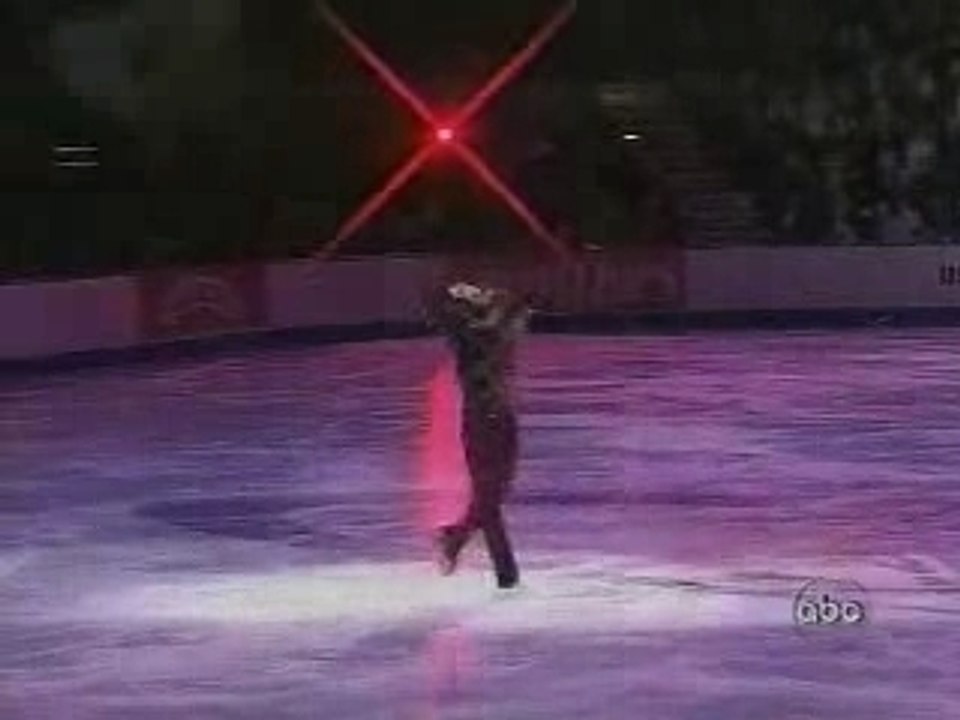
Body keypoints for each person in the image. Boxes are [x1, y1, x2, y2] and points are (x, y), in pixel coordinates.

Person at [425, 281, 531, 588]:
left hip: (501, 418)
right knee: (489, 499)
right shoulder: (472, 336)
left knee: (494, 495)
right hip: (482, 420)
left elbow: (517, 306)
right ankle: (506, 575)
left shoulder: (496, 328)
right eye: (470, 293)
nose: (478, 290)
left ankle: (455, 537)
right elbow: (512, 308)